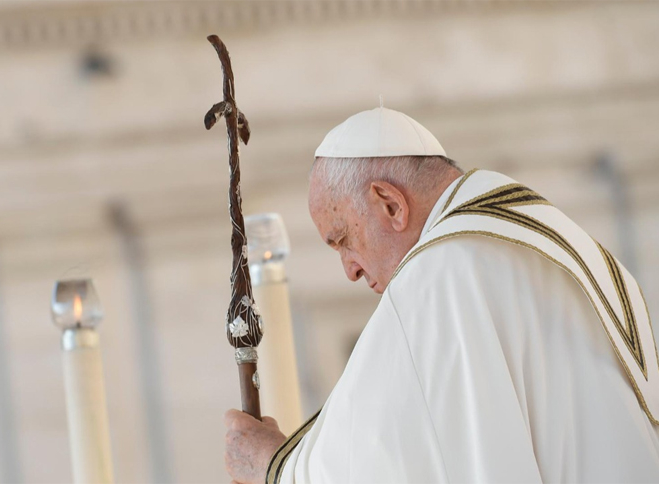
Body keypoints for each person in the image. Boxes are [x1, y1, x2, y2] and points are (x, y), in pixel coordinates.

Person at [224, 108, 659, 483]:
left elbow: (379, 460)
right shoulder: (560, 240)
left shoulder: (441, 275)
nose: (350, 269)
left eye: (343, 240)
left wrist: (274, 467)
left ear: (391, 204)